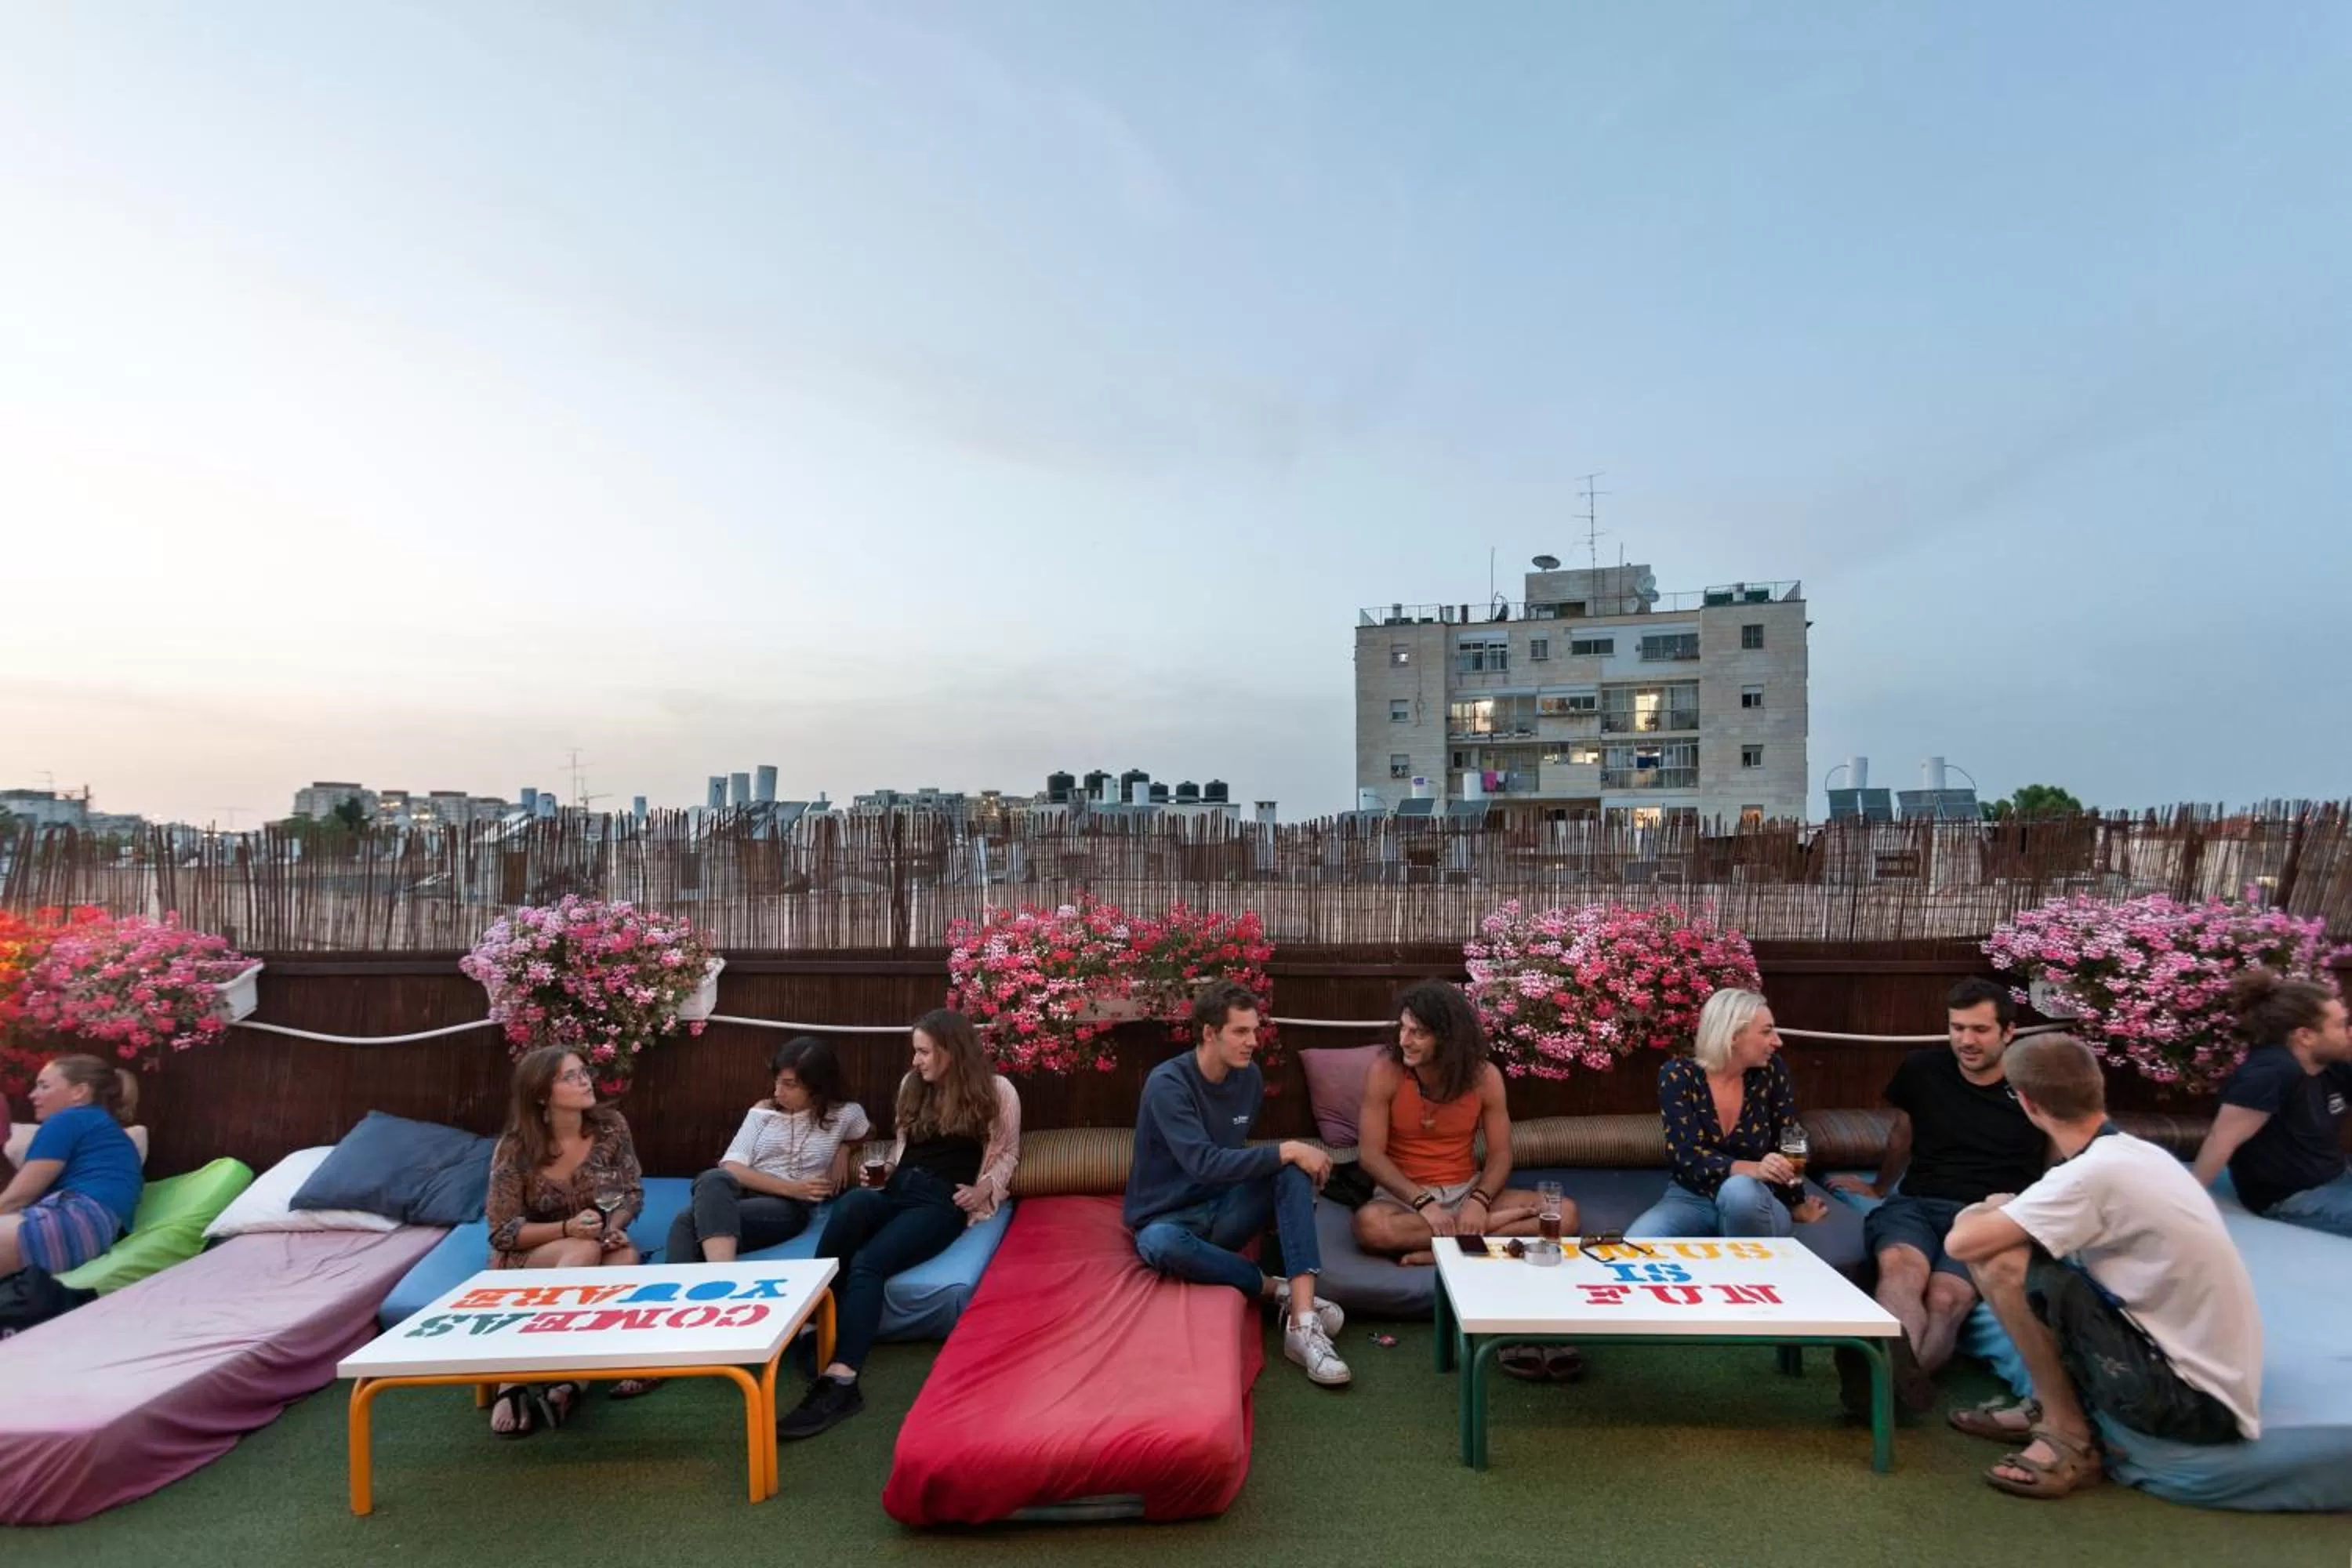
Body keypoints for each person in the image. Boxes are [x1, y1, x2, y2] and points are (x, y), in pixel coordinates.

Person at [1945, 1035, 2261, 1501]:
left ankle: (2067, 1433)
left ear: (2028, 1103)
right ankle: (2043, 1406)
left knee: (1998, 1257)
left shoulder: (2091, 1176)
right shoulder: (2138, 1153)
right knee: (2021, 1243)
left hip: (2189, 1403)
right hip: (2209, 1384)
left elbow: (1961, 1242)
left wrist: (1985, 1210)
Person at [778, 1008, 1020, 1440]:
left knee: (870, 1262)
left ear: (951, 1051)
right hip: (898, 1187)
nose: (916, 1061)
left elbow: (1006, 1154)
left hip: (941, 1202)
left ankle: (843, 1379)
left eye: (924, 1052)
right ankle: (814, 1322)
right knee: (851, 1205)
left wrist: (984, 1190)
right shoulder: (913, 1087)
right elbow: (903, 1148)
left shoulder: (996, 1091)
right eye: (916, 1051)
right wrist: (884, 1171)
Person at [1828, 978, 2048, 1413]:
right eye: (1957, 1027)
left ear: (2008, 1032)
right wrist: (1877, 1187)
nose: (1966, 1040)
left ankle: (1886, 1393)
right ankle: (1895, 1391)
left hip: (1988, 1216)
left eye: (1980, 1030)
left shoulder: (2032, 1086)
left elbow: (2056, 1161)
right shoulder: (1923, 1069)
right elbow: (1903, 1134)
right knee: (1902, 1272)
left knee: (1948, 1298)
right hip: (1916, 1203)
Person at [1127, 979, 1350, 1388]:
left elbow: (1238, 1155)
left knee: (1291, 1172)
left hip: (1224, 1211)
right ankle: (1276, 1291)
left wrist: (1287, 1164)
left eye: (1255, 1030)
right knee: (1160, 1244)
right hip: (1171, 1220)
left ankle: (1302, 1326)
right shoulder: (1168, 1084)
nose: (1254, 1041)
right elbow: (1204, 1163)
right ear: (1210, 1033)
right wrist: (1288, 1149)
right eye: (1241, 1031)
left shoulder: (1248, 1079)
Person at [481, 1046, 645, 1435]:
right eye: (569, 1077)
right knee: (583, 1249)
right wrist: (568, 1230)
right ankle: (517, 1375)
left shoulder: (611, 1127)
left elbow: (631, 1193)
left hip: (591, 1238)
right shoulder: (516, 1147)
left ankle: (574, 1377)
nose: (584, 1080)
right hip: (529, 1254)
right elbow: (503, 1233)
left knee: (623, 1257)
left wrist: (615, 1225)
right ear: (541, 1094)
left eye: (583, 1072)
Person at [1354, 981, 1553, 1265]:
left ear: (1447, 1039)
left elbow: (1501, 1154)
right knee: (1371, 1227)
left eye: (1418, 1033)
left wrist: (1479, 1202)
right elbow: (1370, 1156)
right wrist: (1423, 1203)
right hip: (1404, 1198)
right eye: (1403, 1028)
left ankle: (1438, 1250)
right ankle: (1478, 1234)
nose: (1404, 1041)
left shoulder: (1485, 1078)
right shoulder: (1385, 1071)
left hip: (1466, 1190)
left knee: (1562, 1213)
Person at [1628, 987, 1829, 1237]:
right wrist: (1753, 1167)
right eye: (1767, 1031)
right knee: (1637, 1241)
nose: (1778, 1041)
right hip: (1692, 1198)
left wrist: (1796, 1202)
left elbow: (1792, 1140)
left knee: (1739, 1190)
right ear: (1733, 1036)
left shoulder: (1771, 1071)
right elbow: (1685, 1153)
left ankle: (1748, 1272)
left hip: (1755, 1199)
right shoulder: (1678, 1075)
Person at [666, 1036, 869, 1265]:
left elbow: (868, 1134)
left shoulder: (845, 1114)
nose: (777, 1092)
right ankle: (722, 1273)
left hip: (787, 1209)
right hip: (747, 1194)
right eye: (777, 1082)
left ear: (818, 1086)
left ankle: (699, 1283)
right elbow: (732, 1168)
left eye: (789, 1085)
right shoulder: (763, 1112)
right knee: (713, 1178)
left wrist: (844, 1149)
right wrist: (793, 1188)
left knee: (687, 1222)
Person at [2191, 970, 2352, 1236]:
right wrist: (2185, 1205)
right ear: (2305, 1036)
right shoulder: (2271, 1072)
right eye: (2340, 1025)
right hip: (2293, 1198)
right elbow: (2222, 1138)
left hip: (2338, 1179)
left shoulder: (2331, 1066)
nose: (2348, 1032)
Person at [0, 1055, 143, 1281]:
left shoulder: (68, 1119)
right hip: (96, 1233)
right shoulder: (101, 1126)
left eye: (44, 1086)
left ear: (79, 1092)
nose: (32, 1095)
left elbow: (18, 1197)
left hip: (75, 1220)